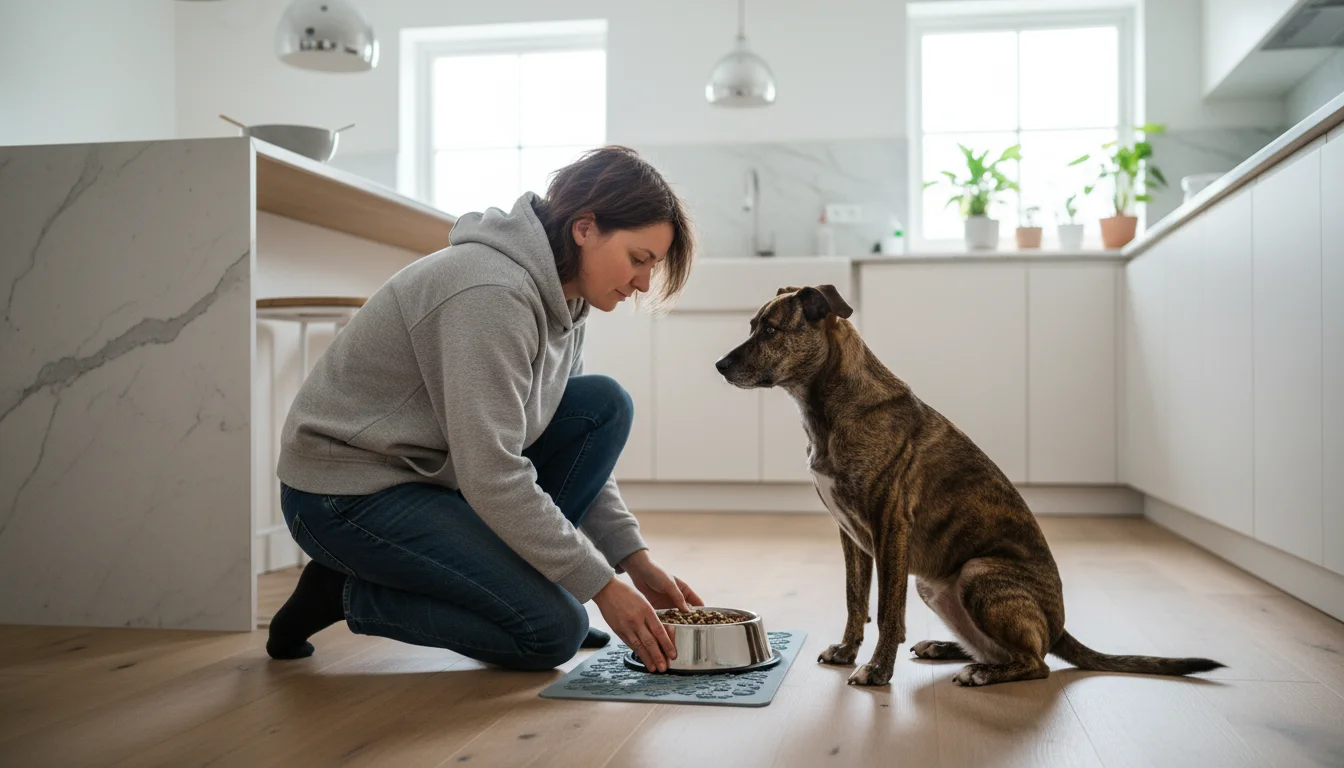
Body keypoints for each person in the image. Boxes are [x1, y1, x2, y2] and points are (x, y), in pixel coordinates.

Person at [266, 146, 701, 673]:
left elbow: (562, 442)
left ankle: (524, 588)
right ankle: (339, 594)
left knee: (602, 406)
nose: (641, 285)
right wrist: (600, 586)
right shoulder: (491, 291)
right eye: (638, 260)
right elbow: (493, 471)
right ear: (584, 228)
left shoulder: (569, 300)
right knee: (551, 632)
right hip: (346, 496)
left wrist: (633, 560)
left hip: (434, 481)